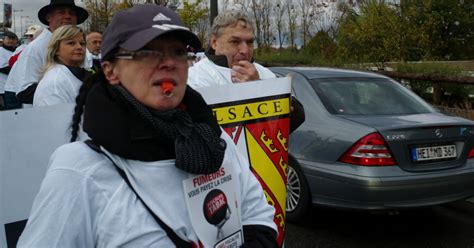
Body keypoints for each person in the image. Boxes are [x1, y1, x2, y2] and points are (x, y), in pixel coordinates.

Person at [18, 4, 277, 248]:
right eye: (147, 52)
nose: (168, 63)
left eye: (178, 52)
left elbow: (258, 215)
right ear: (110, 71)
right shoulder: (79, 168)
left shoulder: (213, 138)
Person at [188, 10, 304, 132]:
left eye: (249, 42)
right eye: (235, 41)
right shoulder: (196, 77)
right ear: (214, 43)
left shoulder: (262, 72)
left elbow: (297, 117)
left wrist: (260, 88)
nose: (245, 50)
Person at [4, 0, 88, 108]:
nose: (68, 16)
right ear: (49, 17)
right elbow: (24, 91)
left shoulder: (79, 45)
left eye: (72, 13)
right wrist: (60, 87)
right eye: (61, 12)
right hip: (32, 107)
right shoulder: (35, 48)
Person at [33, 25, 88, 107]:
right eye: (71, 43)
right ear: (56, 49)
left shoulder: (74, 74)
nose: (79, 47)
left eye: (82, 43)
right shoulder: (55, 83)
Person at [0, 31, 18, 109]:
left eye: (13, 39)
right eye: (9, 39)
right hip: (3, 88)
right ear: (3, 40)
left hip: (14, 87)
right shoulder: (1, 51)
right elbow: (3, 68)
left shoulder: (16, 51)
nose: (11, 41)